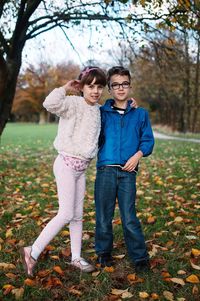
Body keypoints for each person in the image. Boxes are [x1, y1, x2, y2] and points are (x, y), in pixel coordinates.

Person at [20, 66, 107, 276]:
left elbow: (113, 112)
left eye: (100, 87)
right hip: (66, 164)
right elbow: (49, 103)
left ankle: (76, 258)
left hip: (81, 168)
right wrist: (65, 88)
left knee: (77, 216)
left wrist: (130, 104)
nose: (95, 91)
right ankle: (32, 251)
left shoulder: (98, 109)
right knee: (66, 213)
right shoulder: (72, 103)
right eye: (91, 86)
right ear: (83, 87)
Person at [95, 66, 154, 273]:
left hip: (128, 171)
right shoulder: (100, 113)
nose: (121, 88)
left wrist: (137, 156)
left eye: (125, 84)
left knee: (129, 216)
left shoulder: (140, 114)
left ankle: (140, 258)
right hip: (106, 170)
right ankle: (103, 253)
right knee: (104, 215)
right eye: (116, 85)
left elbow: (148, 140)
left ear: (130, 86)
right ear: (109, 89)